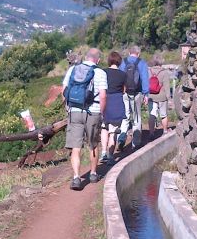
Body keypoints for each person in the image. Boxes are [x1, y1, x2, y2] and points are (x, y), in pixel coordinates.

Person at [62, 48, 107, 190]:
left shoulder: (73, 70)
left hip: (74, 111)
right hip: (93, 112)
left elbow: (64, 90)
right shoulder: (100, 72)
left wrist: (68, 107)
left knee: (76, 147)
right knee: (93, 144)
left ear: (86, 57)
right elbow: (103, 95)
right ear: (97, 60)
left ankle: (76, 178)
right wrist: (102, 112)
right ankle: (93, 174)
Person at [118, 45, 149, 150]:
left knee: (125, 116)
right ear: (138, 53)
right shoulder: (142, 62)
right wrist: (146, 94)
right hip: (137, 93)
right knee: (136, 117)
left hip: (125, 93)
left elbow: (120, 77)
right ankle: (135, 143)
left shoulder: (123, 62)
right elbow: (145, 79)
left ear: (129, 52)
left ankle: (121, 137)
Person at [100, 51, 126, 163]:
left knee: (104, 128)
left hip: (105, 101)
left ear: (109, 61)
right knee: (113, 132)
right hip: (116, 101)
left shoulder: (103, 72)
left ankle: (103, 153)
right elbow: (124, 90)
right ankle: (111, 156)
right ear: (119, 61)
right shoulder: (123, 74)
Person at [147, 55, 172, 137]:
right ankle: (165, 131)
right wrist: (169, 98)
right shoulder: (164, 72)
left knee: (152, 115)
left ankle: (151, 133)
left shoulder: (148, 71)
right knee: (163, 115)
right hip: (162, 97)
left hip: (151, 96)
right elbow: (167, 87)